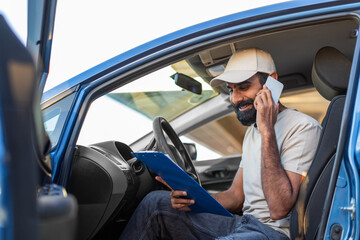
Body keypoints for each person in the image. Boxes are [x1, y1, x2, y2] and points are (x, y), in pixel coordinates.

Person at [119, 48, 322, 239]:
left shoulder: (303, 127)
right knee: (154, 203)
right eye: (231, 89)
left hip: (274, 233)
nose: (235, 98)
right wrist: (191, 199)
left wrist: (268, 131)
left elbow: (279, 209)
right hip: (243, 224)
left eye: (243, 87)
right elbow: (235, 197)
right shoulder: (252, 132)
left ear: (271, 82)